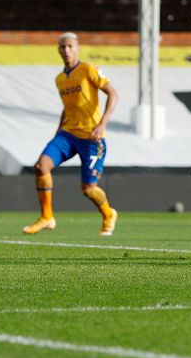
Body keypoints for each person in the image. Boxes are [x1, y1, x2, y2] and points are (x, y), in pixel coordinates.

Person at [23, 33, 119, 236]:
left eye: (69, 46)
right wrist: (58, 131)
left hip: (91, 137)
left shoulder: (88, 70)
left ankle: (109, 214)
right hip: (67, 134)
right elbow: (68, 108)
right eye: (62, 47)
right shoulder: (60, 79)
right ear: (58, 50)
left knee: (89, 189)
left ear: (77, 48)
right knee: (41, 167)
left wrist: (102, 125)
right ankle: (47, 217)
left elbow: (113, 93)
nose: (66, 50)